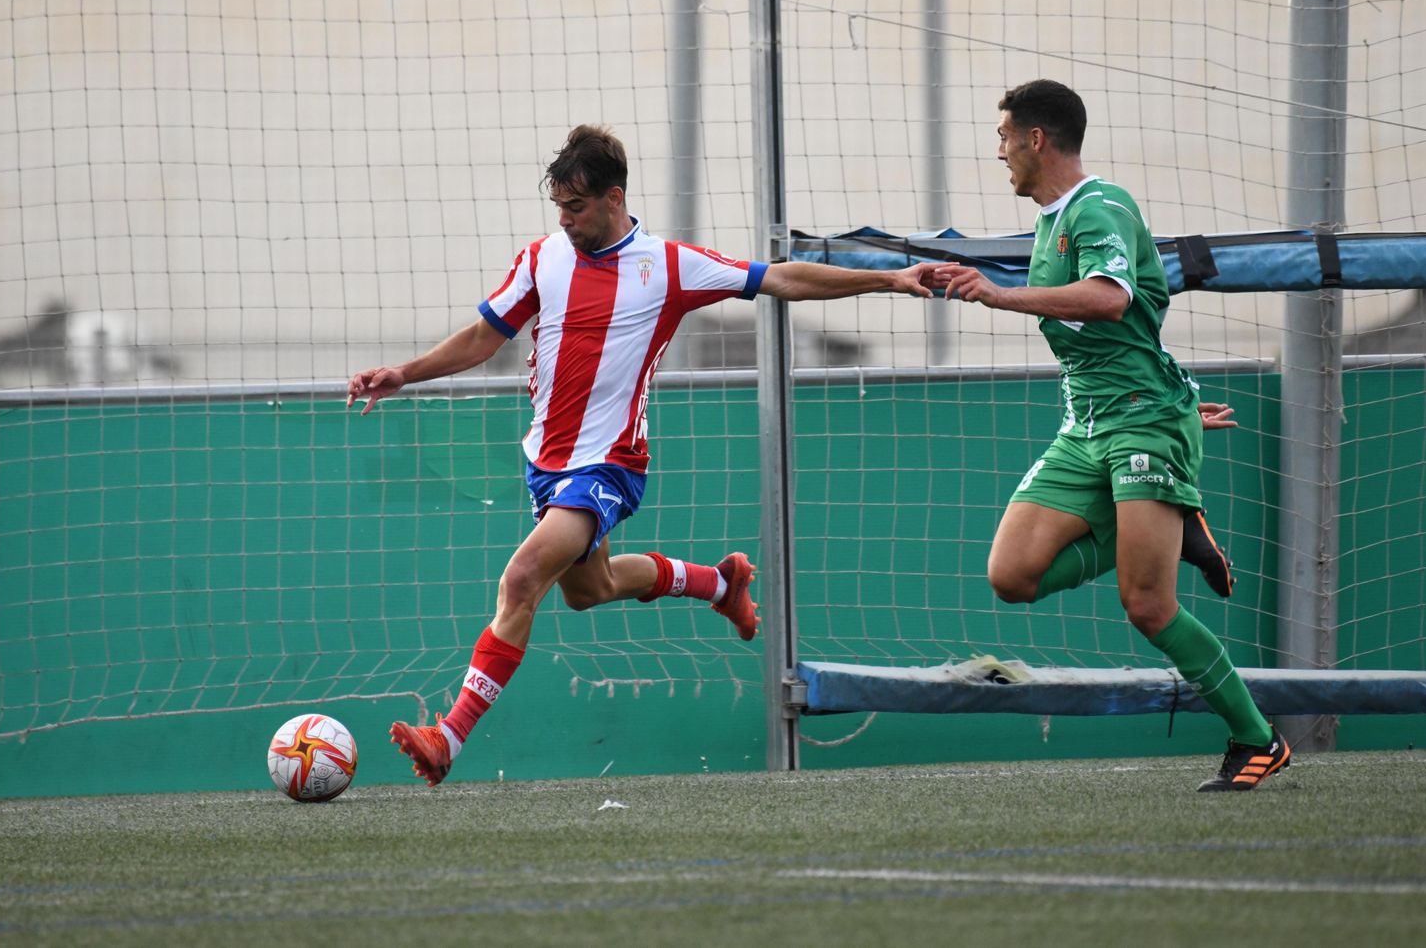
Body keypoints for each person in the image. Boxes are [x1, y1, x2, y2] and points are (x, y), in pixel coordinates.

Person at [349, 124, 934, 786]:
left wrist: (889, 277)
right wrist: (404, 372)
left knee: (521, 580)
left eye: (575, 208)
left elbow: (782, 279)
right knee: (586, 590)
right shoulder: (543, 258)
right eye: (559, 209)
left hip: (610, 465)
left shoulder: (669, 266)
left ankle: (449, 736)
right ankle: (719, 582)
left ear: (612, 197)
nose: (564, 221)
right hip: (547, 462)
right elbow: (486, 334)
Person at [922, 80, 1288, 792]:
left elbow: (1113, 299)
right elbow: (1128, 329)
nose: (997, 151)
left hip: (1141, 423)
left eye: (1003, 137)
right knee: (1011, 574)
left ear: (1036, 138)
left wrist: (999, 294)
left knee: (1147, 604)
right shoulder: (1051, 222)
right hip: (1089, 422)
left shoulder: (1101, 206)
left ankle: (1257, 737)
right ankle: (1164, 531)